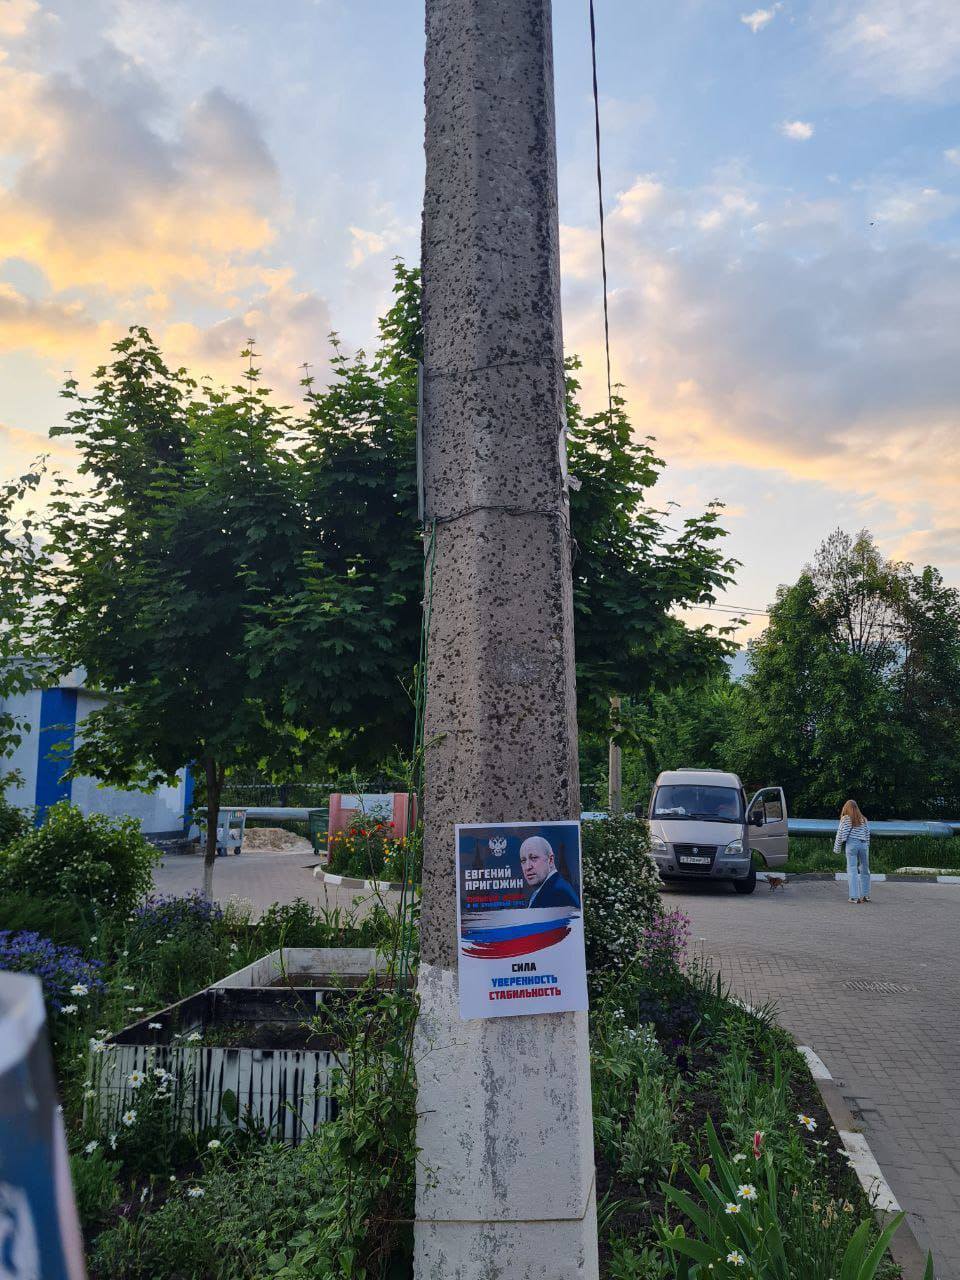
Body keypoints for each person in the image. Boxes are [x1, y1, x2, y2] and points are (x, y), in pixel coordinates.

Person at [518, 836, 580, 909]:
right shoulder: (549, 889)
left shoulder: (558, 893)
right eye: (523, 860)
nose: (527, 867)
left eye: (534, 858)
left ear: (550, 860)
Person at [834, 799, 871, 904]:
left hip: (852, 844)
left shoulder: (846, 819)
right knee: (865, 869)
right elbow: (868, 833)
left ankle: (854, 897)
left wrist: (837, 848)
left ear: (846, 808)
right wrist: (867, 845)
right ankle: (866, 895)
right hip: (864, 844)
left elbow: (841, 834)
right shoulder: (863, 819)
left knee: (852, 870)